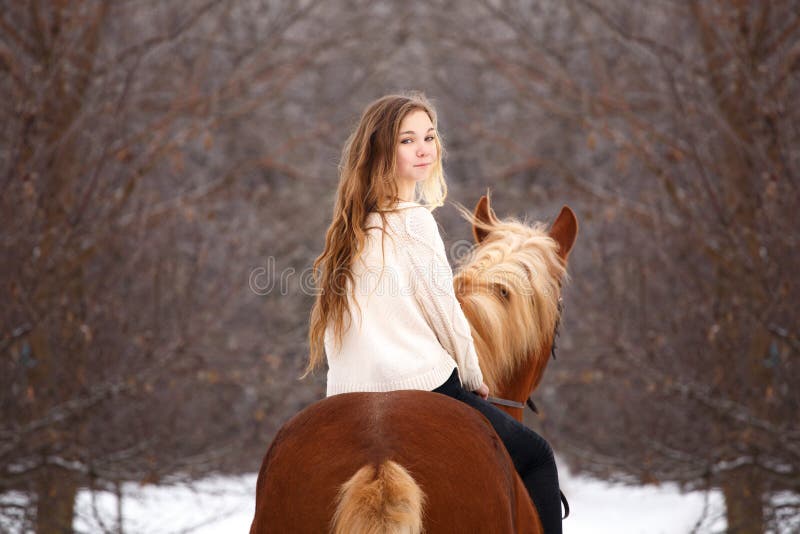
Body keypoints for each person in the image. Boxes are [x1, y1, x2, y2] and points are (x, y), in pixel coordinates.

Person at [304, 91, 563, 533]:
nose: (423, 148)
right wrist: (475, 377)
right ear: (382, 151)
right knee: (537, 456)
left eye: (429, 136)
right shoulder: (416, 221)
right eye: (407, 140)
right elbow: (445, 314)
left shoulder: (347, 231)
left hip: (346, 393)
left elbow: (334, 334)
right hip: (425, 385)